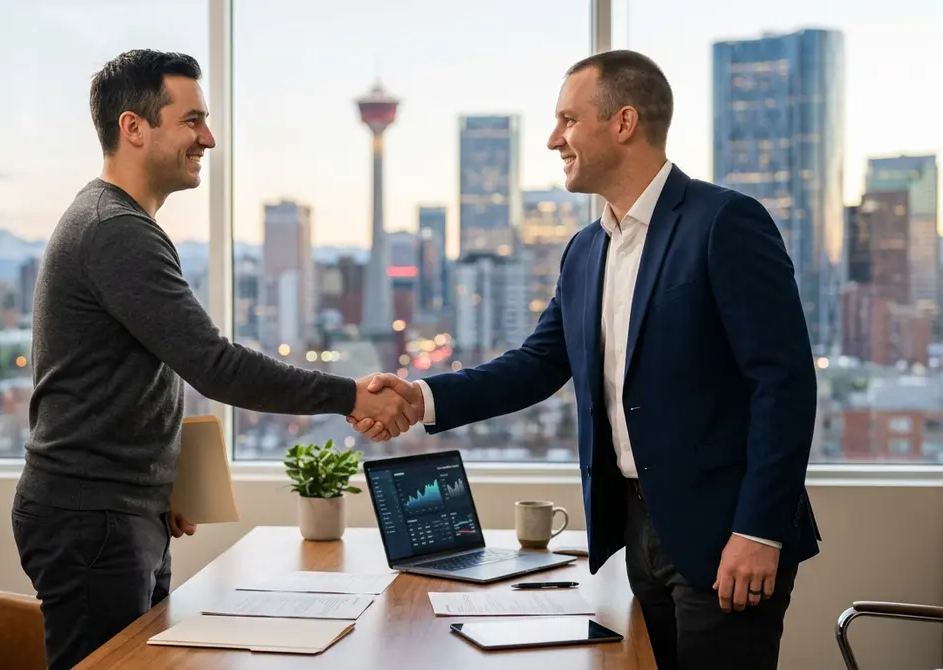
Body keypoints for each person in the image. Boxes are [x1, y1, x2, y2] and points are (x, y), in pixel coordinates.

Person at [351, 49, 820, 670]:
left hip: (726, 532)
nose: (554, 139)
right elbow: (538, 363)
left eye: (568, 120)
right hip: (637, 529)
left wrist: (759, 530)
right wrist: (422, 398)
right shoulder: (584, 250)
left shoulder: (724, 222)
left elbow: (784, 384)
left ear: (623, 122)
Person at [12, 49, 416, 670]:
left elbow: (131, 377)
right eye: (192, 120)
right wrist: (350, 396)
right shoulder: (115, 230)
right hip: (93, 517)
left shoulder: (117, 222)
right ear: (133, 127)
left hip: (117, 511)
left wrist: (164, 482)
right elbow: (214, 365)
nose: (209, 138)